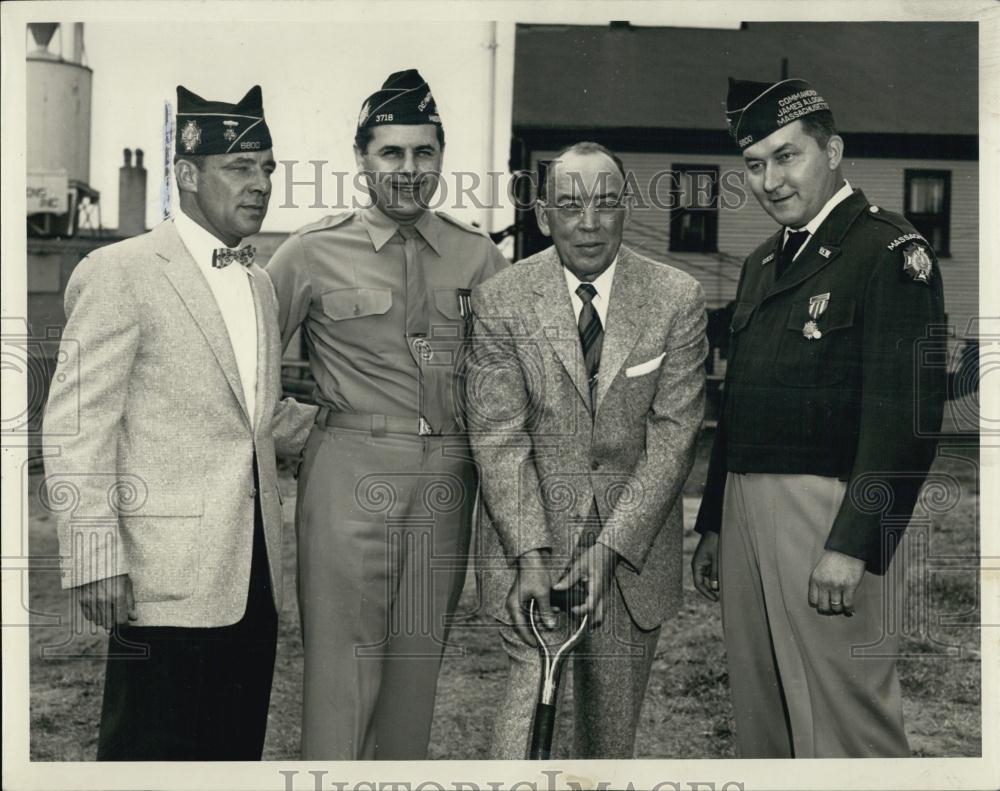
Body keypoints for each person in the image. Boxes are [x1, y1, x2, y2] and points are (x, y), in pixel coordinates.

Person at [42, 85, 316, 760]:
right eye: (240, 167)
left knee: (231, 756)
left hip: (252, 579)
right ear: (189, 175)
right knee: (147, 757)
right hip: (158, 584)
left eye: (268, 168)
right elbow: (77, 425)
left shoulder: (260, 283)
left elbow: (232, 420)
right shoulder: (122, 270)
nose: (261, 184)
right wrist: (94, 555)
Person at [691, 78, 947, 758]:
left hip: (828, 511)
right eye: (754, 163)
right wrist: (715, 518)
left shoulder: (887, 253)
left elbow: (906, 415)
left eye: (787, 155)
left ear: (832, 151)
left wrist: (854, 540)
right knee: (763, 710)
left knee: (847, 716)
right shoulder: (761, 264)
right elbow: (738, 401)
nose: (770, 179)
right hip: (747, 509)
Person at [266, 68, 508, 760]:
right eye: (392, 153)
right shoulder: (312, 249)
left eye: (423, 152)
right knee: (343, 671)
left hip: (446, 480)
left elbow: (510, 377)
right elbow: (248, 360)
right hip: (349, 473)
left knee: (415, 665)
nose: (409, 169)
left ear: (440, 158)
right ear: (363, 159)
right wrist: (296, 428)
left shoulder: (479, 255)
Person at [466, 142, 707, 759]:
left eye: (605, 203)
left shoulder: (676, 297)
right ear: (544, 215)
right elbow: (498, 436)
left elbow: (674, 436)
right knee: (524, 734)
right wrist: (530, 551)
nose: (589, 222)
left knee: (606, 746)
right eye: (570, 206)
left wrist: (609, 550)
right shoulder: (502, 299)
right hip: (533, 557)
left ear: (626, 207)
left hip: (630, 561)